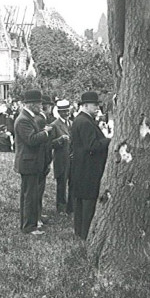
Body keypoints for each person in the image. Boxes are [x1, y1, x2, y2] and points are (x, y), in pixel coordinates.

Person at [70, 91, 111, 240]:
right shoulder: (85, 122)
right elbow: (91, 146)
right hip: (88, 168)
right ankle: (86, 233)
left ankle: (80, 231)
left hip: (81, 167)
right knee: (87, 202)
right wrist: (109, 140)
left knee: (81, 201)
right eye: (95, 105)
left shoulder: (80, 120)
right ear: (85, 105)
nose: (97, 108)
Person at [14, 89, 53, 235]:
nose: (40, 106)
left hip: (30, 162)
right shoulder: (23, 120)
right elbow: (31, 140)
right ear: (30, 104)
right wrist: (46, 133)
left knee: (29, 194)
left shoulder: (27, 118)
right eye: (38, 103)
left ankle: (30, 223)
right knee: (30, 195)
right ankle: (29, 227)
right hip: (28, 162)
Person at [35, 95, 56, 225]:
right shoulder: (40, 120)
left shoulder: (43, 119)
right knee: (37, 189)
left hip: (44, 158)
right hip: (39, 159)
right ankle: (35, 217)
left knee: (40, 189)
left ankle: (38, 214)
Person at [50, 99, 72, 214]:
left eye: (68, 111)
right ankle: (61, 207)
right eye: (64, 111)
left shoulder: (71, 123)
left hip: (71, 158)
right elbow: (50, 144)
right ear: (59, 112)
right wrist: (60, 140)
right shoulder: (54, 125)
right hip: (61, 159)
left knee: (72, 182)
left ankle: (71, 207)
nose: (67, 113)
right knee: (61, 184)